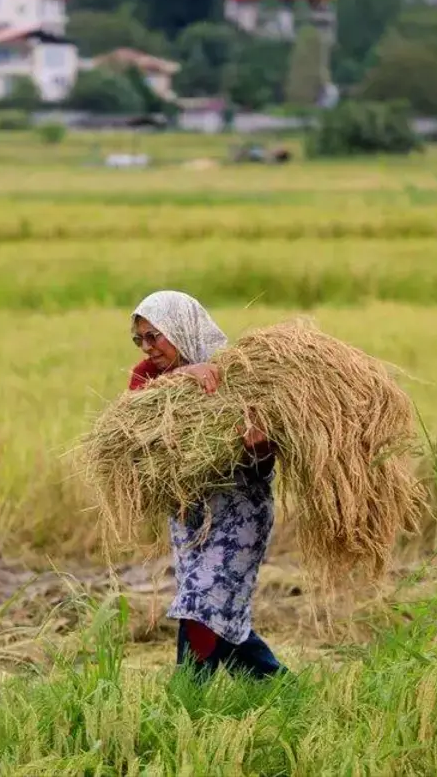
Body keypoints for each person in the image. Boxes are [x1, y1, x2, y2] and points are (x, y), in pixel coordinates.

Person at [127, 290, 287, 682]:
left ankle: (187, 696)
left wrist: (261, 442)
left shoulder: (239, 373)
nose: (147, 348)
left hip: (238, 511)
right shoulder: (147, 376)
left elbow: (267, 453)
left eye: (154, 336)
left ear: (181, 329)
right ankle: (281, 690)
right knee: (216, 612)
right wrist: (184, 376)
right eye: (140, 339)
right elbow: (130, 416)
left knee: (201, 603)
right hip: (188, 514)